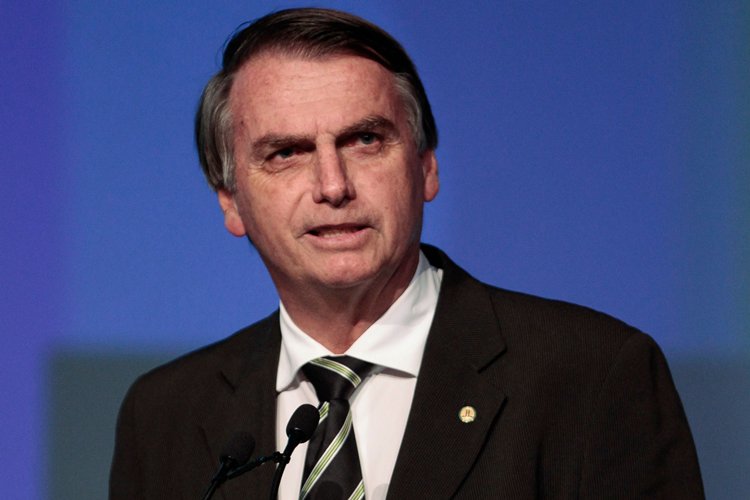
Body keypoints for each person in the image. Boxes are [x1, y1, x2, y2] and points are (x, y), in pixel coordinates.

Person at [109, 7, 704, 499]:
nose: (333, 185)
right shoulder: (163, 416)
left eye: (365, 140)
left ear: (426, 168)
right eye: (286, 153)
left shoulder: (594, 376)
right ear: (231, 202)